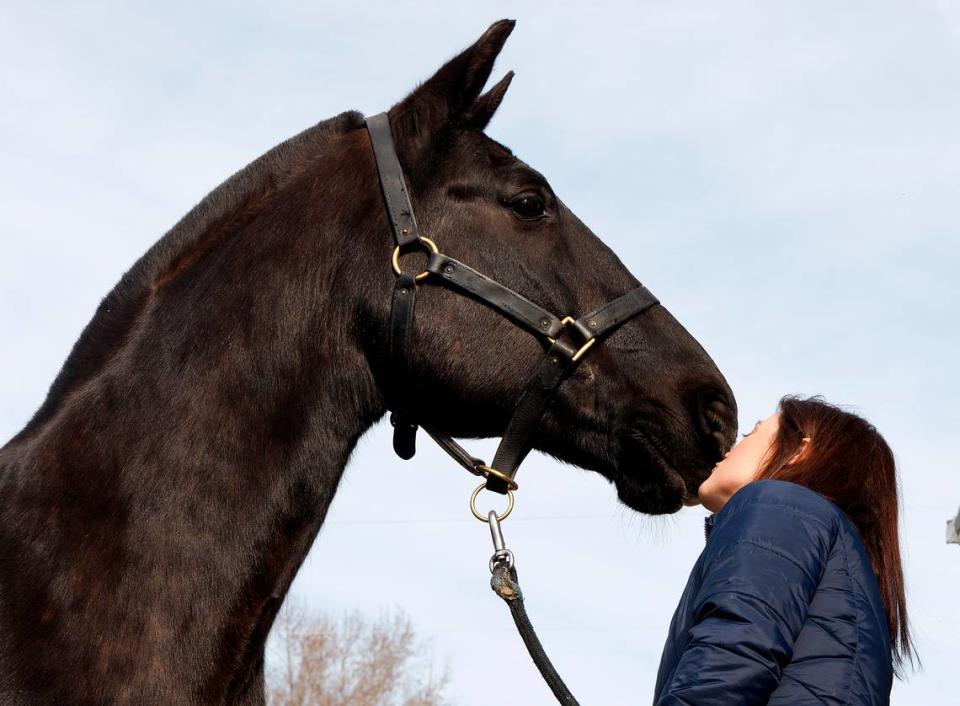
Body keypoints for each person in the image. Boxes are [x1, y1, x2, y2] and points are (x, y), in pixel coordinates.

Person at [653, 396, 916, 705]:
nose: (727, 449)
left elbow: (733, 655)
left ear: (801, 450)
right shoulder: (846, 569)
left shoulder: (779, 504)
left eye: (752, 433)